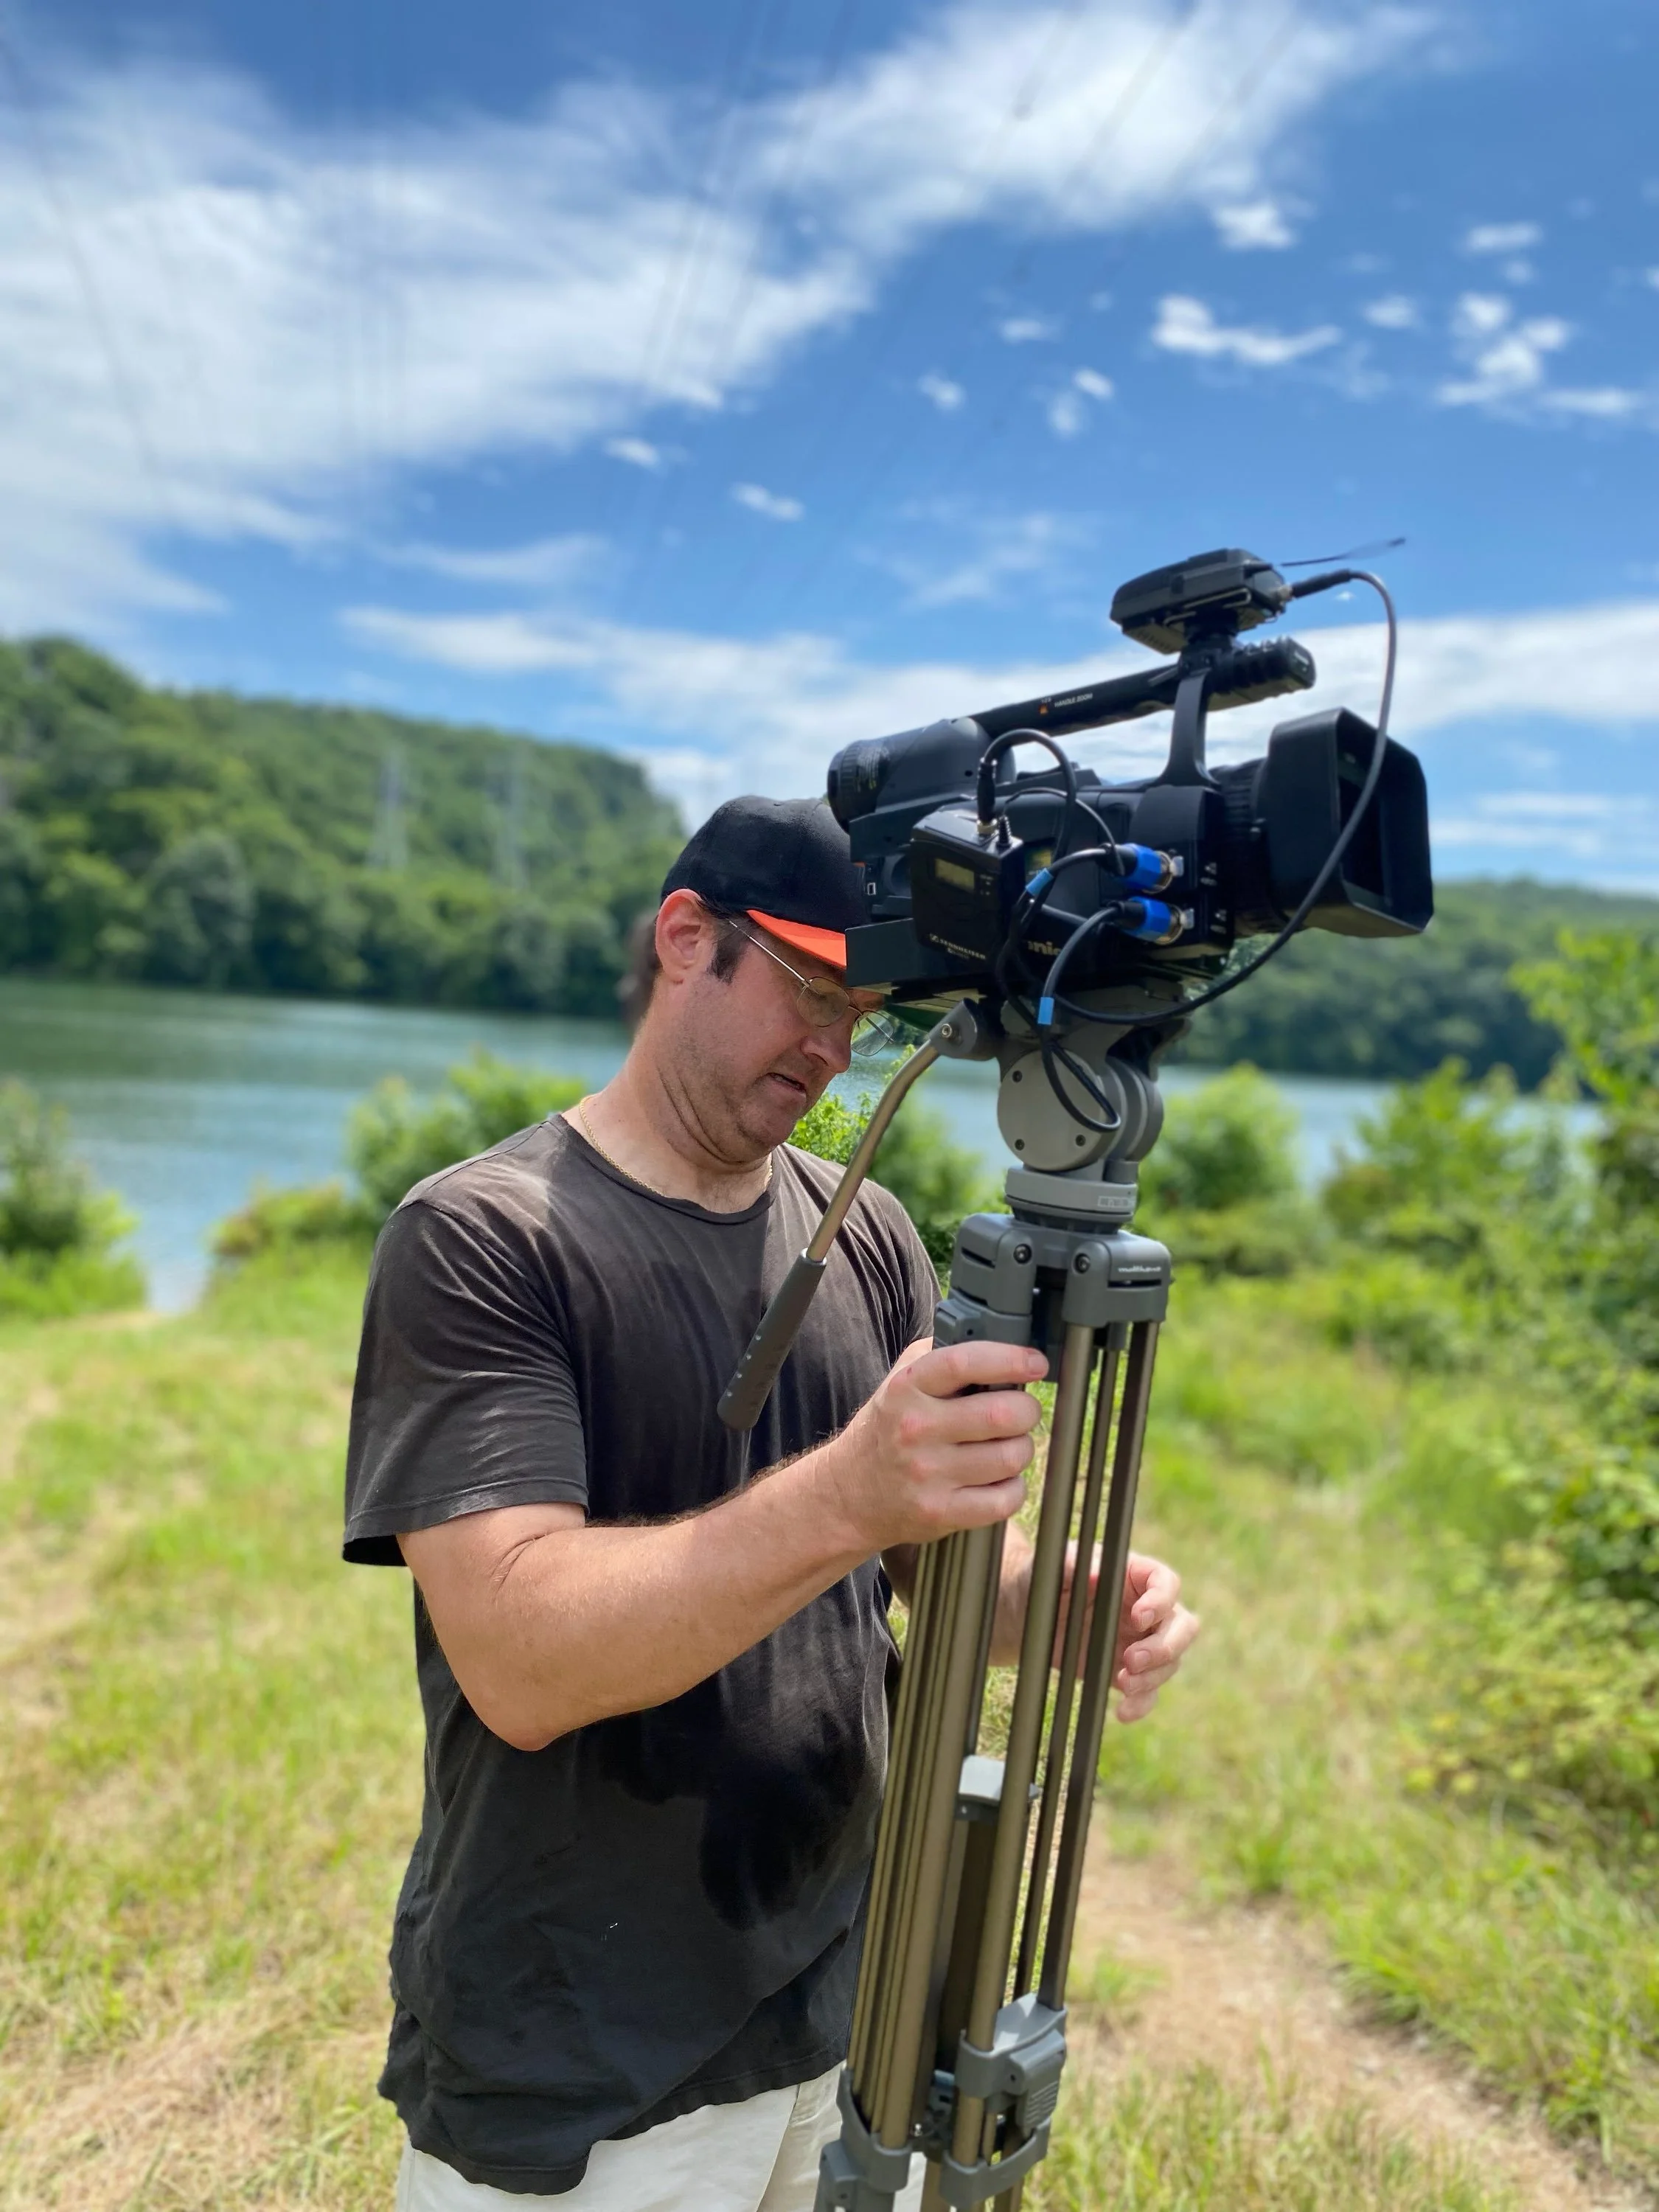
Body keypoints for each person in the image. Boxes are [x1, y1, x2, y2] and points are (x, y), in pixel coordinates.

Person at [343, 795, 1200, 2212]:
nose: (833, 1048)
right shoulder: (482, 1239)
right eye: (811, 991)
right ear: (687, 940)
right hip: (582, 2057)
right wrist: (850, 1493)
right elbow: (520, 1661)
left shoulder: (858, 1218)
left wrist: (1067, 1607)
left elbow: (923, 1572)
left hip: (849, 2014)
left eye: (864, 1013)